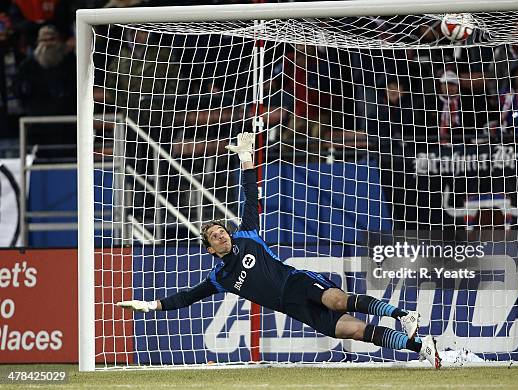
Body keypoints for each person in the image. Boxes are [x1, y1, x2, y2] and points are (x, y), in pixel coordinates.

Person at [117, 132, 441, 369]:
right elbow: (186, 297)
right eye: (214, 237)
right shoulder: (219, 278)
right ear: (211, 250)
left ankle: (403, 315)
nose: (220, 236)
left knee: (338, 299)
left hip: (297, 283)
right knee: (355, 331)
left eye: (220, 231)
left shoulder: (247, 235)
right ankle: (421, 346)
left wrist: (246, 160)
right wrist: (151, 305)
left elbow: (248, 196)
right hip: (294, 308)